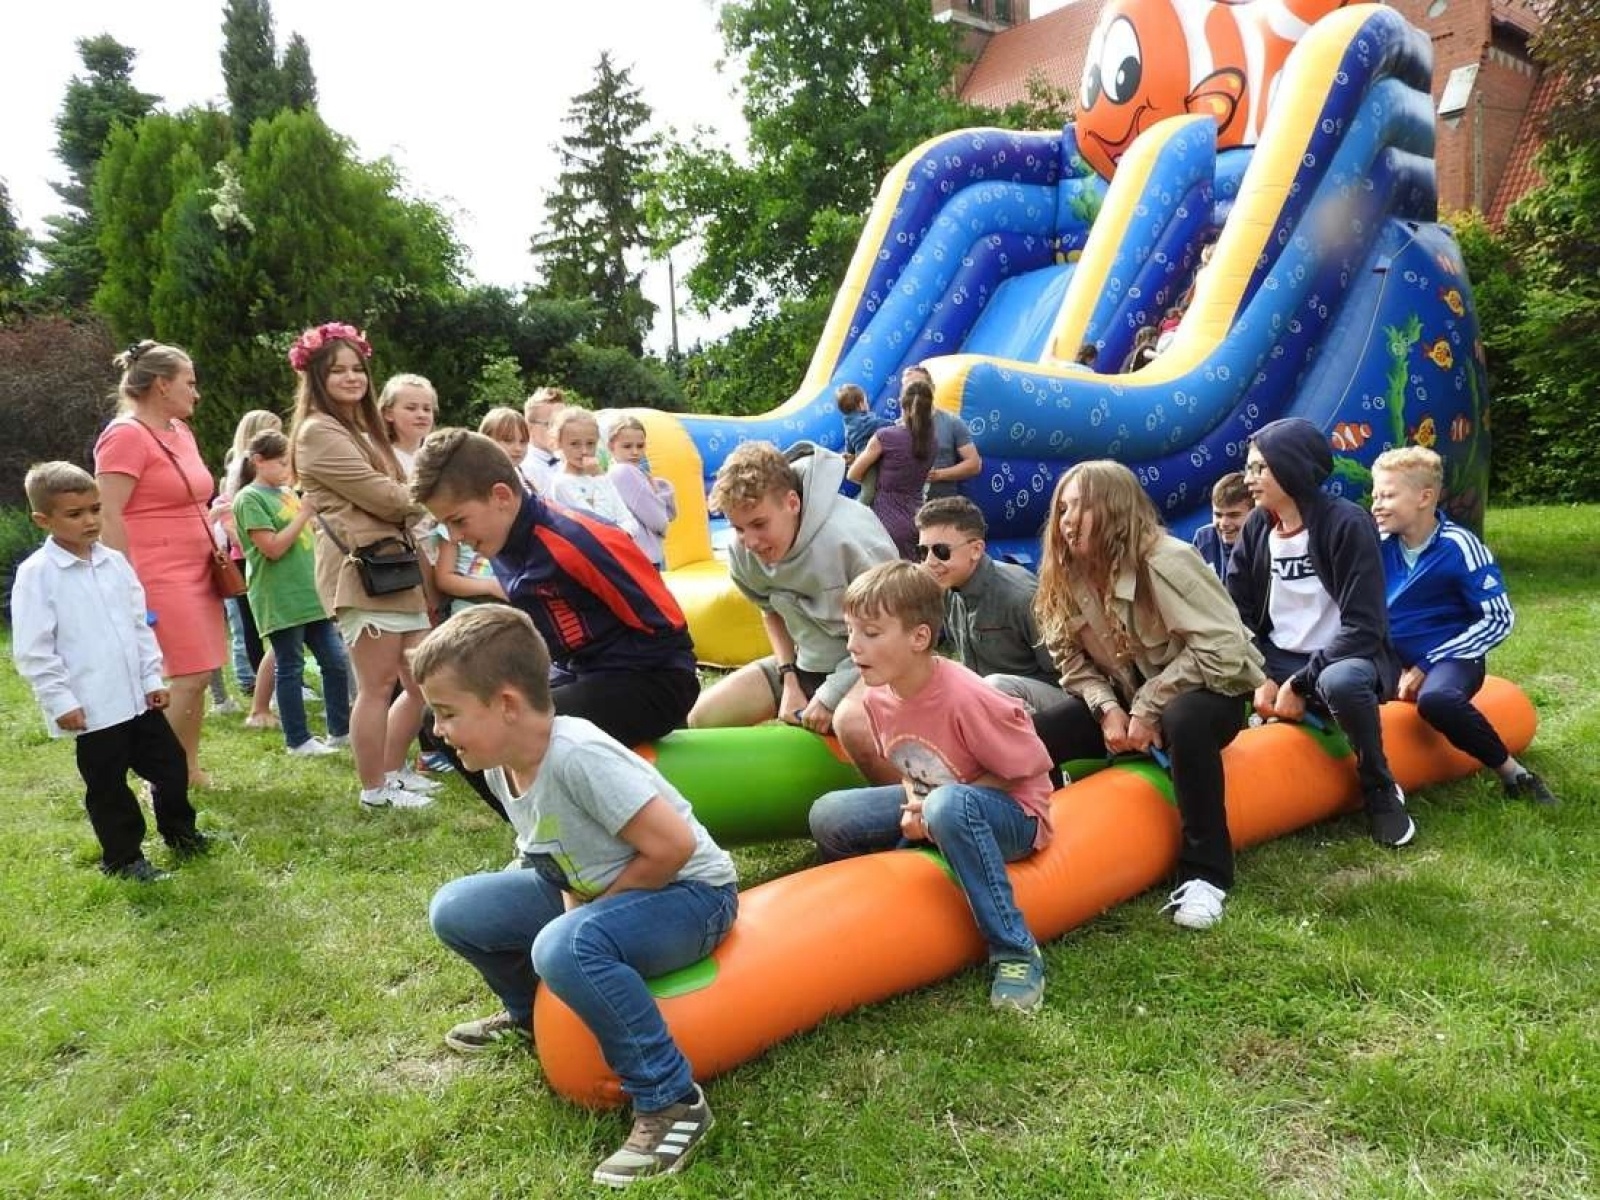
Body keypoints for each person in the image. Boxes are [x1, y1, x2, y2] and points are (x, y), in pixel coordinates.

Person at [417, 605, 735, 1185]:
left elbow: (671, 847)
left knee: (564, 946)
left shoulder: (577, 755)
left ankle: (670, 1101)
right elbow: (548, 855)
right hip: (599, 888)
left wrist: (588, 914)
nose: (438, 730)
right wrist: (570, 909)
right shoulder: (500, 762)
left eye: (448, 713)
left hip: (691, 896)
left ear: (507, 705)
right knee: (457, 909)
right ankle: (530, 1015)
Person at [807, 561, 1054, 1011]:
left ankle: (1016, 951)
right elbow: (909, 763)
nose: (854, 647)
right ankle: (871, 912)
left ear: (919, 638)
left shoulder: (966, 696)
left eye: (871, 633)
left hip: (1013, 812)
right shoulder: (878, 695)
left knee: (947, 807)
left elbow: (1030, 770)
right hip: (940, 801)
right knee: (830, 814)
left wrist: (933, 810)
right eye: (850, 632)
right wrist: (913, 803)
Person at [1030, 461, 1264, 929]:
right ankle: (1036, 844)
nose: (1067, 519)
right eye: (1062, 508)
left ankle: (1206, 874)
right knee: (1038, 735)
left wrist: (1149, 705)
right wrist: (1108, 709)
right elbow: (1070, 661)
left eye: (1080, 506)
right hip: (1128, 701)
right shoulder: (1066, 573)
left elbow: (1221, 648)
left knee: (1185, 721)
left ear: (1114, 509)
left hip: (1207, 693)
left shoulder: (1166, 559)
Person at [410, 429, 700, 752]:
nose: (454, 536)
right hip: (579, 673)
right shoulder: (501, 544)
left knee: (513, 726)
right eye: (445, 525)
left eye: (459, 521)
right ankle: (525, 804)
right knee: (440, 721)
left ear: (502, 497)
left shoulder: (577, 539)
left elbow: (669, 627)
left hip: (654, 679)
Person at [12, 461, 209, 881]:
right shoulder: (38, 576)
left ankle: (182, 834)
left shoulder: (115, 563)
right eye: (75, 513)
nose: (89, 520)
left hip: (138, 698)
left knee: (171, 766)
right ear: (43, 520)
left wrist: (152, 678)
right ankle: (123, 859)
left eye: (95, 509)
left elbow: (137, 625)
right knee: (109, 786)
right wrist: (61, 701)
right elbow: (34, 650)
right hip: (92, 707)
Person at [1226, 417, 1412, 847]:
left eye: (1260, 468)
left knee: (1339, 682)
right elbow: (1237, 614)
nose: (1249, 479)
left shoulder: (1345, 523)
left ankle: (1379, 786)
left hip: (1344, 656)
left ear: (1291, 467)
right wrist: (1259, 673)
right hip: (1277, 655)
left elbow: (1365, 626)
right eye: (1249, 468)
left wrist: (1299, 680)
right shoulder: (1257, 527)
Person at [687, 440, 900, 783]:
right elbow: (769, 609)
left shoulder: (853, 537)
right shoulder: (742, 551)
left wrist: (831, 695)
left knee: (849, 721)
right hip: (805, 662)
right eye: (739, 528)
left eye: (759, 524)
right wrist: (789, 678)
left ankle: (905, 809)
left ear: (792, 502)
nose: (751, 542)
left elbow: (895, 637)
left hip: (877, 669)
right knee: (703, 717)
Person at [288, 321, 435, 810]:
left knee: (422, 680)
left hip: (394, 566)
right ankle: (373, 789)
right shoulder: (317, 433)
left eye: (358, 369)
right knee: (375, 686)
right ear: (316, 378)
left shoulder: (357, 427)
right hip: (363, 571)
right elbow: (384, 496)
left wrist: (410, 501)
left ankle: (393, 772)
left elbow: (394, 492)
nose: (352, 378)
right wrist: (430, 500)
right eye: (339, 371)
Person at [1371, 446, 1556, 805]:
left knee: (1438, 700)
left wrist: (1427, 665)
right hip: (1390, 656)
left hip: (1453, 658)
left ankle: (1514, 774)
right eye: (1376, 495)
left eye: (1389, 495)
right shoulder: (1375, 544)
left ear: (1425, 497)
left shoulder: (1460, 546)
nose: (1377, 504)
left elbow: (1498, 618)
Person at [94, 340, 226, 788]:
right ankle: (162, 777)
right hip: (156, 572)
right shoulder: (125, 436)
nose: (197, 392)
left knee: (201, 672)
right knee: (187, 674)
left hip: (198, 566)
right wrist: (122, 582)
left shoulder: (180, 432)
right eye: (190, 382)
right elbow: (108, 512)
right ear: (161, 385)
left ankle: (186, 767)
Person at [233, 430, 353, 757]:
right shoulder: (249, 499)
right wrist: (304, 513)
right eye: (282, 462)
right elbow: (271, 548)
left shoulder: (286, 492)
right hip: (280, 597)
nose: (288, 469)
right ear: (258, 461)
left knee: (336, 661)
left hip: (309, 595)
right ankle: (298, 740)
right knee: (290, 666)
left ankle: (340, 731)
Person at [914, 497, 1063, 712]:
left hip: (1049, 707)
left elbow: (1065, 674)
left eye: (941, 551)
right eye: (922, 551)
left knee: (996, 686)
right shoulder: (947, 588)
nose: (930, 561)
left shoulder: (1019, 595)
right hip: (988, 701)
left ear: (976, 550)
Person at [216, 408, 284, 723]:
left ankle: (270, 683)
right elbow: (232, 516)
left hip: (261, 550)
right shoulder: (241, 473)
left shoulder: (269, 473)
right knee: (253, 625)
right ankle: (257, 685)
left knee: (268, 627)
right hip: (248, 555)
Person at [847, 378, 935, 559]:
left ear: (903, 407)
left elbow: (853, 474)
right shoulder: (933, 443)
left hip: (883, 518)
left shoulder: (885, 436)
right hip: (917, 519)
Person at [546, 407, 641, 538]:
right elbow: (596, 524)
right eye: (575, 444)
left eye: (590, 444)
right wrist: (600, 478)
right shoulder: (562, 483)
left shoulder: (598, 476)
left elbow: (631, 522)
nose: (584, 451)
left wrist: (621, 533)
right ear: (559, 443)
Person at [605, 414, 678, 569]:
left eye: (640, 446)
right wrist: (660, 494)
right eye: (627, 446)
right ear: (611, 447)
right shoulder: (624, 471)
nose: (635, 452)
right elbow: (660, 520)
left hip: (637, 555)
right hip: (641, 556)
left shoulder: (633, 473)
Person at [900, 364, 981, 499]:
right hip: (904, 508)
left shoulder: (952, 422)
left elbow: (974, 464)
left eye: (918, 385)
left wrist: (937, 475)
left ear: (932, 388)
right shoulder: (895, 428)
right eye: (907, 387)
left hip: (940, 508)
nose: (914, 390)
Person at [1192, 471, 1252, 581]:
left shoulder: (1266, 541)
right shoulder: (1203, 538)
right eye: (1218, 515)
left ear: (1254, 513)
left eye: (1233, 515)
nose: (1224, 523)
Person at [377, 373, 438, 477]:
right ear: (388, 414)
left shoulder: (441, 459)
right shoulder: (378, 458)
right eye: (411, 408)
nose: (421, 415)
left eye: (427, 409)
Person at [479, 406, 538, 493]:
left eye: (523, 442)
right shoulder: (481, 480)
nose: (518, 448)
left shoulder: (520, 475)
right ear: (486, 439)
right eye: (508, 441)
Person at [521, 385, 567, 496]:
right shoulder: (526, 468)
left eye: (564, 424)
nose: (560, 431)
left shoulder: (566, 458)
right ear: (529, 428)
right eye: (551, 424)